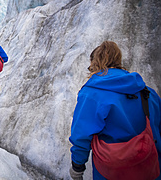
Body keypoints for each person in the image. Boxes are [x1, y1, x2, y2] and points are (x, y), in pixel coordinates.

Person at [69, 41, 161, 179]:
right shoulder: (147, 93)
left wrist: (78, 166)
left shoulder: (92, 94)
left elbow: (82, 134)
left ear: (95, 63)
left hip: (111, 172)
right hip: (149, 168)